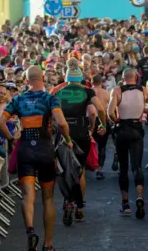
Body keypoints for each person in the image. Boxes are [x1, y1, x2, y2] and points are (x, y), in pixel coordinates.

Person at [0, 65, 72, 251]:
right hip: (45, 149)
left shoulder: (18, 99)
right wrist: (68, 140)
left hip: (25, 150)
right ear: (43, 79)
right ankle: (48, 244)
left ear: (26, 80)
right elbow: (61, 122)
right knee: (48, 198)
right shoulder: (50, 98)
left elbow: (0, 121)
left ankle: (30, 232)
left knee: (27, 196)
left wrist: (12, 139)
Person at [50, 58, 107, 226]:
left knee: (65, 170)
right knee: (79, 171)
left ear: (66, 76)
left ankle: (68, 201)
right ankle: (79, 209)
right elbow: (98, 110)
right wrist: (99, 125)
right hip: (81, 132)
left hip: (62, 133)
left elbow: (50, 113)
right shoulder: (87, 91)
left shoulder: (57, 91)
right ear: (80, 77)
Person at [108, 68, 148, 219]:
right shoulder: (144, 90)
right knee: (137, 166)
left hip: (122, 130)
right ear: (136, 77)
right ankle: (139, 195)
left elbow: (110, 112)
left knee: (123, 168)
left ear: (123, 78)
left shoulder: (117, 90)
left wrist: (116, 119)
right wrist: (141, 109)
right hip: (137, 131)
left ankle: (125, 203)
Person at [91, 74, 110, 180]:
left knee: (88, 145)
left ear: (91, 81)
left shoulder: (88, 92)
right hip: (102, 120)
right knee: (102, 146)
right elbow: (111, 107)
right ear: (101, 82)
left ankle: (84, 167)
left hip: (90, 120)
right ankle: (99, 170)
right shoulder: (106, 93)